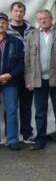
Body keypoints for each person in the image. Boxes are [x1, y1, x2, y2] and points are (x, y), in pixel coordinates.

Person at [24, 9, 56, 150]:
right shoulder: (32, 35)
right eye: (40, 18)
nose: (43, 21)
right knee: (40, 111)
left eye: (45, 18)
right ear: (37, 20)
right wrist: (28, 79)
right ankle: (40, 140)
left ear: (51, 18)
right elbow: (27, 61)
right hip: (38, 80)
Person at [6, 1, 35, 143]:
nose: (19, 13)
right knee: (10, 107)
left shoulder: (32, 29)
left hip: (27, 74)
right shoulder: (5, 30)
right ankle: (10, 135)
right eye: (16, 11)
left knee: (26, 105)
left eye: (21, 11)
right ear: (11, 12)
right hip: (11, 75)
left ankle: (27, 134)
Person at [0, 12, 24, 149]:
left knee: (11, 111)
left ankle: (13, 140)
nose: (1, 24)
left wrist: (10, 75)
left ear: (7, 25)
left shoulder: (16, 42)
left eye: (3, 22)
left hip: (11, 81)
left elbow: (21, 63)